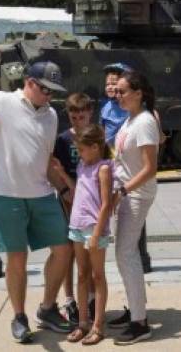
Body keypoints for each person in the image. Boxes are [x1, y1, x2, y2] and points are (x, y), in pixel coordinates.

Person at [0, 60, 74, 343]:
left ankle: (47, 308)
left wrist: (65, 190)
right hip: (6, 193)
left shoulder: (51, 115)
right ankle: (19, 317)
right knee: (17, 259)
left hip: (41, 193)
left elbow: (44, 160)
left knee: (63, 249)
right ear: (29, 83)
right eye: (45, 90)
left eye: (53, 92)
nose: (49, 97)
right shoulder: (2, 102)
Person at [106, 70, 159, 345]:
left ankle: (140, 322)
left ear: (138, 93)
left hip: (136, 195)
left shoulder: (145, 122)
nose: (118, 95)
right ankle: (135, 310)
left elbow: (151, 168)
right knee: (124, 254)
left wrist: (124, 190)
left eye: (123, 91)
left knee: (126, 254)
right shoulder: (131, 119)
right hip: (125, 193)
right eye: (117, 91)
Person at [66, 124, 113, 346]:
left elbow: (106, 204)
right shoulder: (82, 166)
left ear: (95, 147)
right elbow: (79, 191)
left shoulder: (103, 168)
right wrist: (59, 174)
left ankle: (98, 325)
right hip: (77, 225)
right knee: (82, 274)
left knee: (97, 276)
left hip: (94, 228)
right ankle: (82, 322)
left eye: (82, 149)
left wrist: (95, 234)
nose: (80, 153)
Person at [53, 92, 96, 324]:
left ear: (89, 114)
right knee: (68, 251)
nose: (78, 121)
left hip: (89, 202)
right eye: (74, 116)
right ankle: (69, 298)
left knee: (88, 251)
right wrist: (64, 192)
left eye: (82, 116)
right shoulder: (62, 140)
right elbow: (55, 168)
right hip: (68, 200)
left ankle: (90, 296)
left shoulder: (96, 137)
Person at [100, 63, 131, 149]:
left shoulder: (131, 107)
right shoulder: (105, 106)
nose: (110, 87)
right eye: (107, 84)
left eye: (113, 84)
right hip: (109, 151)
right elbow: (102, 129)